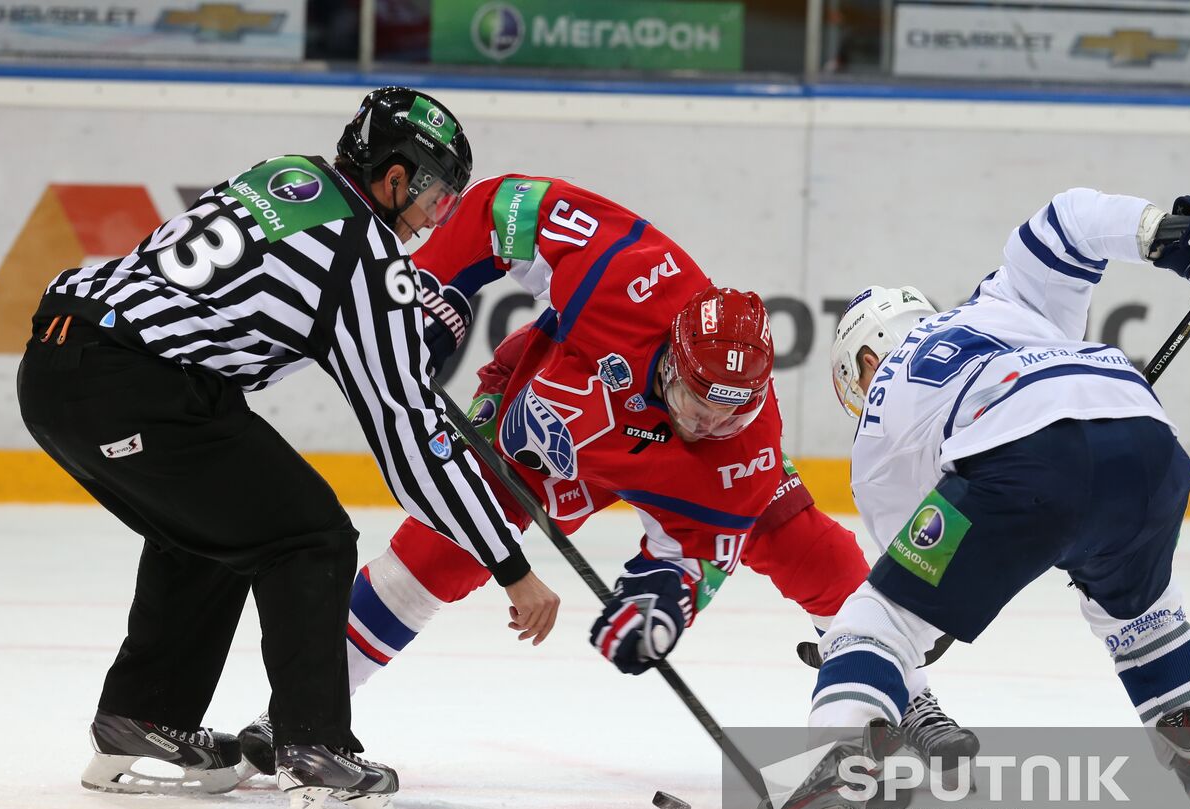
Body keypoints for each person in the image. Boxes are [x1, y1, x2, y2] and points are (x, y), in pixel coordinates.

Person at [230, 174, 975, 776]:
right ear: (673, 353)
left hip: (672, 478)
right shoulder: (631, 273)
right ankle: (302, 710)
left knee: (804, 542)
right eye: (692, 400)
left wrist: (659, 606)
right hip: (542, 431)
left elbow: (693, 558)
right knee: (442, 547)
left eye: (728, 414)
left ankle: (904, 691)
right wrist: (432, 297)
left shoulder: (735, 451)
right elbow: (500, 207)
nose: (705, 424)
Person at [16, 87, 559, 809]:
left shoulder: (287, 174)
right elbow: (407, 437)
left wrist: (401, 326)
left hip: (62, 359)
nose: (439, 214)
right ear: (394, 177)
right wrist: (509, 563)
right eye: (436, 192)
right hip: (134, 385)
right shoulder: (364, 256)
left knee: (213, 522)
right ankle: (317, 755)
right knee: (309, 535)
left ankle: (141, 718)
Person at [752, 187, 1190, 809]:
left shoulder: (878, 435)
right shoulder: (1003, 301)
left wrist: (903, 646)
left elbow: (914, 597)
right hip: (1148, 443)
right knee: (1142, 614)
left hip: (1029, 462)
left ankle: (821, 796)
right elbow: (1069, 218)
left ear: (862, 362)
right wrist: (1180, 236)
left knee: (872, 622)